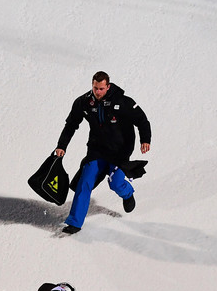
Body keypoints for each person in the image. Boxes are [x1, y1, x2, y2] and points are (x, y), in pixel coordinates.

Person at [55, 71, 151, 234]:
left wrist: (145, 140)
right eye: (95, 88)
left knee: (115, 183)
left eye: (101, 88)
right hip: (97, 151)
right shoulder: (84, 102)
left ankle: (127, 193)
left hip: (119, 151)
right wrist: (62, 145)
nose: (97, 92)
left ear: (108, 86)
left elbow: (142, 120)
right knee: (84, 183)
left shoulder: (123, 102)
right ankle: (74, 223)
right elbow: (71, 124)